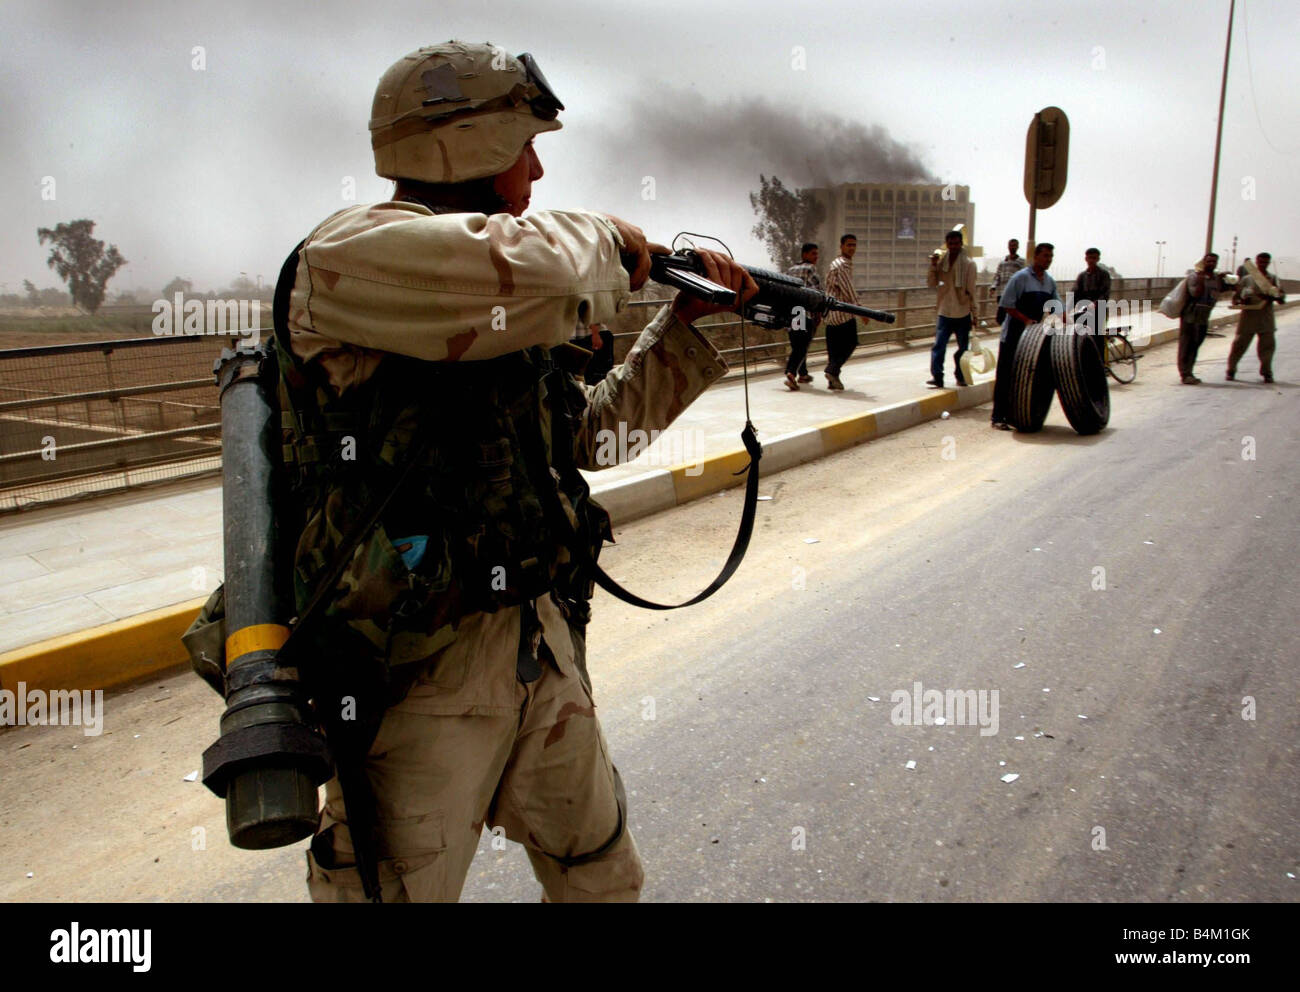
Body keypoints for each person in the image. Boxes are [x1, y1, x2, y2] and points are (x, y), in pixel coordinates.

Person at [276, 41, 757, 903]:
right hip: (416, 673)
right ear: (463, 147)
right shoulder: (350, 256)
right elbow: (536, 264)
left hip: (537, 641)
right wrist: (613, 238)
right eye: (521, 146)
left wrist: (683, 327)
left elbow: (589, 442)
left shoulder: (499, 307)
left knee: (603, 879)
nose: (535, 168)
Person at [991, 242, 1060, 429]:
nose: (1048, 260)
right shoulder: (1020, 278)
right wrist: (1026, 320)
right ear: (1036, 257)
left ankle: (1019, 415)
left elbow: (1057, 306)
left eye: (1051, 257)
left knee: (1028, 376)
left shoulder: (1049, 281)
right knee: (1006, 375)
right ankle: (998, 417)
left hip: (1033, 340)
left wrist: (1067, 321)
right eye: (1045, 256)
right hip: (1013, 334)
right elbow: (1007, 305)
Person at [926, 229, 977, 388]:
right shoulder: (942, 263)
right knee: (939, 346)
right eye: (950, 243)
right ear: (947, 245)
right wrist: (933, 266)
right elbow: (932, 283)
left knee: (963, 349)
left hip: (962, 312)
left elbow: (972, 291)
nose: (953, 246)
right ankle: (937, 377)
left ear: (961, 244)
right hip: (945, 311)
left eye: (956, 243)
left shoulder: (969, 264)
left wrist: (975, 313)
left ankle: (960, 376)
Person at [1226, 252, 1286, 383]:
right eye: (1260, 262)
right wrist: (1241, 300)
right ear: (1256, 262)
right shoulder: (1247, 279)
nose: (1263, 264)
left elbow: (1281, 299)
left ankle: (1266, 372)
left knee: (1267, 347)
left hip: (1266, 318)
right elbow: (1236, 298)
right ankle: (1231, 369)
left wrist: (1273, 296)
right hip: (1248, 317)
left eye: (1266, 262)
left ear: (1269, 263)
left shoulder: (1273, 279)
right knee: (1239, 345)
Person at [1177, 253, 1226, 384]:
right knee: (1187, 344)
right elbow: (1195, 294)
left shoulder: (1215, 278)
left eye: (1214, 261)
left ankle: (1189, 371)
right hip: (1191, 314)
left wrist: (1224, 280)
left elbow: (1219, 292)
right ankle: (1185, 374)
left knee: (1195, 344)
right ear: (1204, 262)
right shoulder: (1194, 276)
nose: (1211, 264)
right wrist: (1201, 279)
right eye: (1209, 261)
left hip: (1204, 316)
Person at [822, 233, 862, 390]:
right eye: (849, 245)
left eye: (854, 245)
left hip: (830, 314)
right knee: (851, 342)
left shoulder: (838, 263)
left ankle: (833, 381)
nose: (852, 248)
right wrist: (861, 310)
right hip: (842, 313)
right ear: (842, 246)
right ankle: (832, 371)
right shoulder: (842, 265)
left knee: (834, 350)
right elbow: (849, 291)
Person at [783, 242, 821, 389]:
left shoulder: (790, 270)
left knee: (797, 343)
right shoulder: (810, 268)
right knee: (802, 345)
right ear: (804, 254)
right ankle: (791, 373)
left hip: (791, 313)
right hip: (803, 313)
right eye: (813, 253)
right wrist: (818, 313)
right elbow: (817, 292)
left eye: (817, 254)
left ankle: (803, 374)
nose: (816, 257)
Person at [1073, 247, 1111, 338]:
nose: (1091, 260)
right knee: (1079, 338)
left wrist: (1095, 304)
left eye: (1094, 258)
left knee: (1097, 339)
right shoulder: (1082, 276)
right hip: (1084, 310)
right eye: (1089, 258)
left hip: (1099, 310)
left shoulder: (1104, 274)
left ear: (1098, 259)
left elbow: (1105, 294)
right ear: (1086, 259)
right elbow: (1075, 292)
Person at [991, 238, 1027, 323]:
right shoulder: (1003, 262)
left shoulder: (1021, 262)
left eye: (1014, 246)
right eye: (1011, 246)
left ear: (1017, 247)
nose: (1012, 247)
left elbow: (1024, 277)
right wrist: (993, 287)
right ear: (1008, 247)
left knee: (1012, 317)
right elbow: (997, 276)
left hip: (1014, 294)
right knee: (1001, 318)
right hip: (1002, 293)